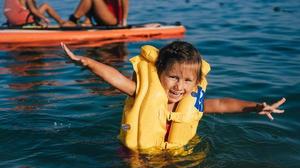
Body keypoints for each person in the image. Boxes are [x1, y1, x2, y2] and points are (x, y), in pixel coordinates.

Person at [61, 41, 286, 151]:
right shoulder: (143, 93)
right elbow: (116, 77)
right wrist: (86, 62)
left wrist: (257, 107)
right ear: (160, 74)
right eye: (173, 77)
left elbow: (222, 104)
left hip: (176, 158)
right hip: (137, 159)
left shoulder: (191, 103)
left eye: (187, 81)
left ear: (196, 82)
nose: (179, 87)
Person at [3, 0, 71, 27]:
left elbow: (12, 11)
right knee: (45, 6)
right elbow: (33, 10)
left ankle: (38, 22)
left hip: (13, 23)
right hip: (25, 22)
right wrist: (44, 18)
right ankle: (62, 22)